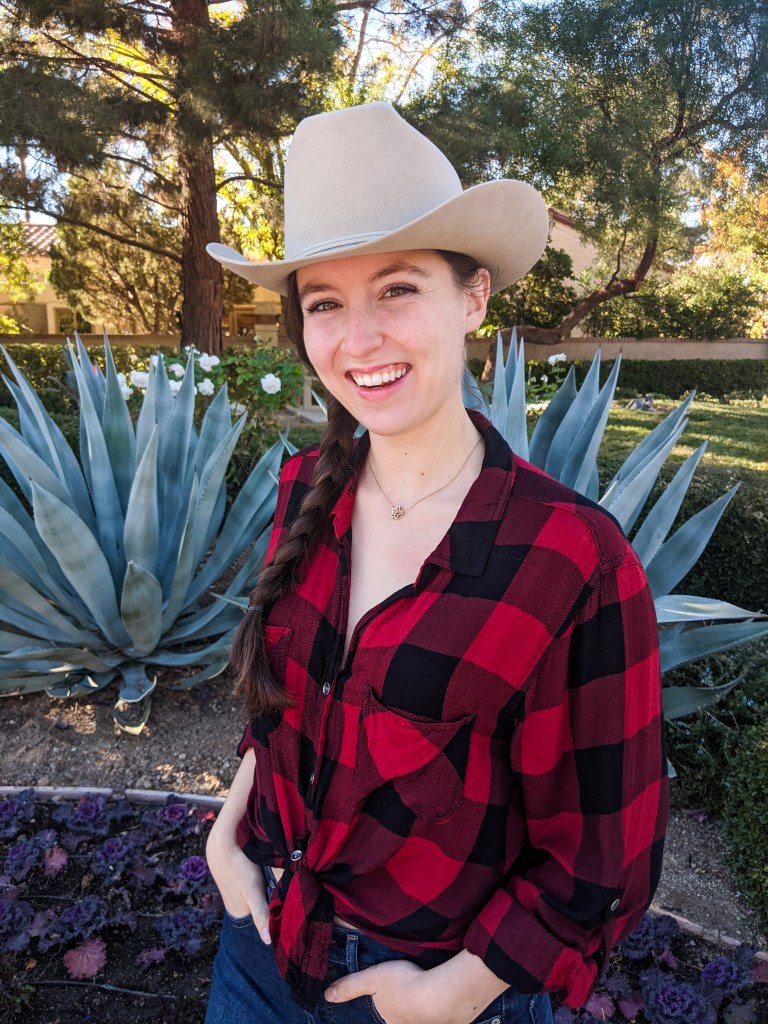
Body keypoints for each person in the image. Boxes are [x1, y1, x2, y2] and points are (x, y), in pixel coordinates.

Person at [204, 102, 668, 1024]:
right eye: (324, 303)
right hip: (260, 945)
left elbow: (605, 848)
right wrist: (229, 829)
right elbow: (292, 706)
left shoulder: (571, 559)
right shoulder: (306, 489)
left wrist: (459, 991)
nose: (359, 338)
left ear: (474, 296)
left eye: (398, 288)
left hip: (435, 990)